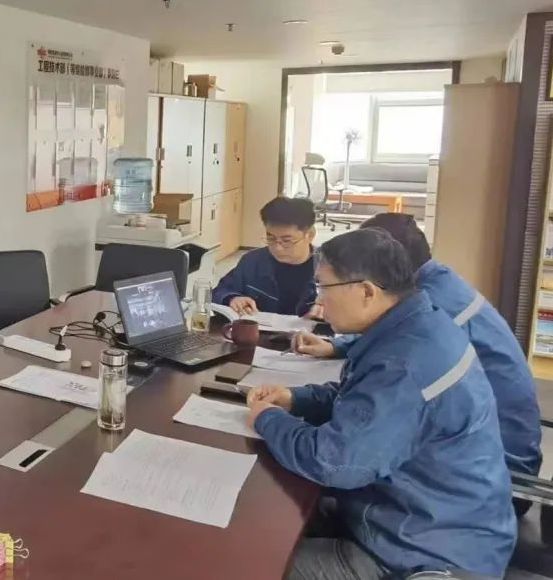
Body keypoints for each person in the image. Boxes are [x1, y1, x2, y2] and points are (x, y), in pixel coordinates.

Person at [247, 229, 516, 579]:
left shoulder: (405, 363)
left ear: (367, 291)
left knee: (249, 562)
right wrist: (296, 399)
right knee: (272, 514)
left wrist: (268, 419)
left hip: (419, 552)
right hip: (416, 514)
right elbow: (365, 402)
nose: (319, 301)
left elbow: (335, 462)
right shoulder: (418, 323)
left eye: (323, 287)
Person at [294, 212, 543, 478]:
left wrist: (273, 419)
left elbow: (339, 460)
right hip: (472, 449)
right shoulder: (434, 283)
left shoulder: (434, 308)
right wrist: (337, 347)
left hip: (503, 460)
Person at [213, 196, 318, 316]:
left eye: (287, 240)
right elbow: (220, 291)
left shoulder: (330, 268)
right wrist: (232, 298)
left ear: (310, 235)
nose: (277, 248)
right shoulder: (253, 262)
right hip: (260, 328)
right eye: (271, 238)